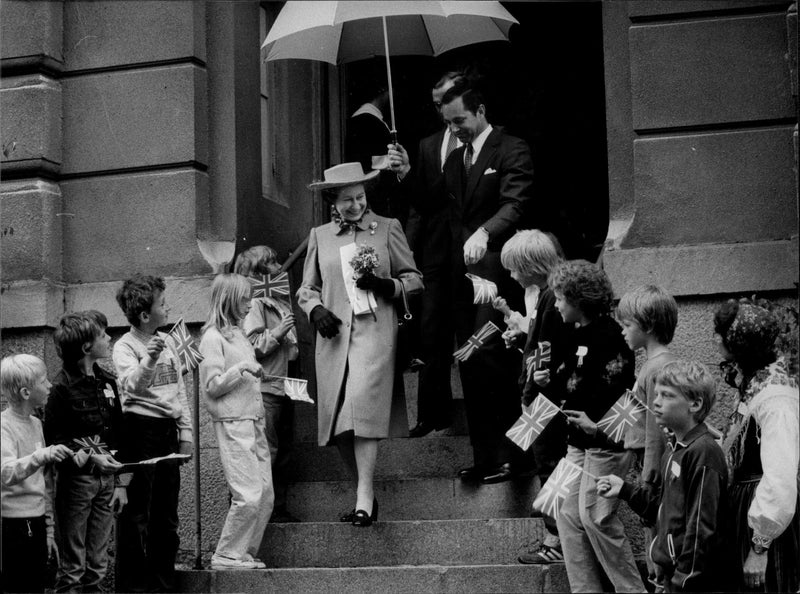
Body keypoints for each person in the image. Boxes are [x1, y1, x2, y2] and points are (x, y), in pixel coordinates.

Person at [390, 77, 534, 484]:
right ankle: (486, 457)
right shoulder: (455, 160)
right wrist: (405, 172)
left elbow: (515, 203)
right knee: (469, 362)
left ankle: (516, 457)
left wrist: (485, 232)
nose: (455, 129)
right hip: (462, 283)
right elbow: (429, 202)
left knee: (492, 358)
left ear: (481, 110)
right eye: (449, 123)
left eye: (461, 121)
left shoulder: (511, 148)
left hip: (500, 278)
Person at [298, 162, 423, 526]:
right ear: (331, 200)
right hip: (334, 337)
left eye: (361, 197)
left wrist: (388, 286)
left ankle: (365, 495)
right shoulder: (320, 236)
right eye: (347, 199)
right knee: (338, 423)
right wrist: (315, 308)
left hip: (375, 333)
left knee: (360, 410)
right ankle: (362, 494)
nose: (355, 205)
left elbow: (414, 280)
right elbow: (307, 288)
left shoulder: (386, 228)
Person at [544, 259, 644, 593]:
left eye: (560, 298)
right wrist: (547, 381)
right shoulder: (574, 334)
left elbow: (620, 393)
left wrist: (596, 425)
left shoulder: (612, 336)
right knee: (564, 513)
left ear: (577, 299)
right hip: (577, 443)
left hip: (603, 444)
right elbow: (568, 385)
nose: (556, 304)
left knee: (597, 519)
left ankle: (632, 590)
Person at [597, 360, 732, 593]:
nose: (656, 402)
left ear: (695, 404)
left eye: (667, 396)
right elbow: (662, 508)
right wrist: (625, 490)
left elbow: (701, 526)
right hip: (671, 577)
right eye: (656, 394)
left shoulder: (703, 452)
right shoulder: (674, 449)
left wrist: (685, 579)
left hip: (692, 583)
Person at [493, 230, 571, 564]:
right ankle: (557, 536)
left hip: (545, 401)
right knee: (546, 464)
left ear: (531, 266)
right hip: (540, 398)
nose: (512, 275)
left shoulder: (552, 299)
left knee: (551, 466)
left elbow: (548, 350)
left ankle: (556, 540)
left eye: (514, 269)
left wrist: (529, 394)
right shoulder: (546, 296)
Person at [112, 274, 193, 592]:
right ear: (145, 315)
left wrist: (185, 431)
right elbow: (133, 387)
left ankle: (162, 584)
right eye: (162, 304)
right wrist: (150, 357)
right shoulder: (124, 347)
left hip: (166, 433)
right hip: (138, 434)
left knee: (166, 518)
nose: (167, 306)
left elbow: (179, 389)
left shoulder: (169, 340)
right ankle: (132, 588)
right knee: (136, 517)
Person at [713, 298, 799, 592]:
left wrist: (759, 548)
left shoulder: (776, 398)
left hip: (764, 522)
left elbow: (780, 476)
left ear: (739, 344)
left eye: (722, 335)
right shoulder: (757, 381)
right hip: (743, 510)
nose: (716, 340)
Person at [44, 311, 129, 592]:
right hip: (77, 483)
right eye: (103, 335)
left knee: (98, 564)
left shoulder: (107, 381)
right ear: (86, 347)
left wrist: (121, 483)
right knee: (72, 567)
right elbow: (57, 440)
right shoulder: (60, 388)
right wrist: (91, 455)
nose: (109, 338)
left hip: (107, 482)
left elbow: (118, 432)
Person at [403, 70, 464, 438]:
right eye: (436, 104)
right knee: (431, 332)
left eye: (446, 100)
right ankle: (431, 416)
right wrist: (408, 250)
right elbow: (419, 205)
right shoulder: (428, 145)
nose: (441, 110)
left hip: (474, 249)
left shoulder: (485, 138)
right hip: (436, 252)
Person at [199, 273, 272, 569]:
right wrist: (242, 368)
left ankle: (243, 552)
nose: (248, 304)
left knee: (265, 493)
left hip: (253, 419)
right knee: (249, 493)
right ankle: (227, 554)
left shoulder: (239, 335)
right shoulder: (212, 338)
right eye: (244, 299)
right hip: (233, 421)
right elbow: (212, 386)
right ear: (229, 300)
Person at [234, 245, 301, 524]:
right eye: (271, 263)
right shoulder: (258, 303)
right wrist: (278, 332)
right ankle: (263, 510)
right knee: (270, 450)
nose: (278, 267)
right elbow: (252, 346)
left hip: (285, 383)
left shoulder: (278, 300)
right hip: (267, 386)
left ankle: (278, 507)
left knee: (283, 449)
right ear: (258, 273)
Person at [1, 354, 73, 593]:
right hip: (10, 526)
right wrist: (41, 455)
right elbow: (6, 471)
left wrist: (49, 530)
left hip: (38, 522)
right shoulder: (3, 426)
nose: (50, 385)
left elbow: (44, 482)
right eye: (43, 381)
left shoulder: (37, 424)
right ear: (25, 393)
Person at [345, 76, 407, 225]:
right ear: (383, 90)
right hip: (373, 195)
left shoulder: (373, 119)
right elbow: (367, 161)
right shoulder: (366, 120)